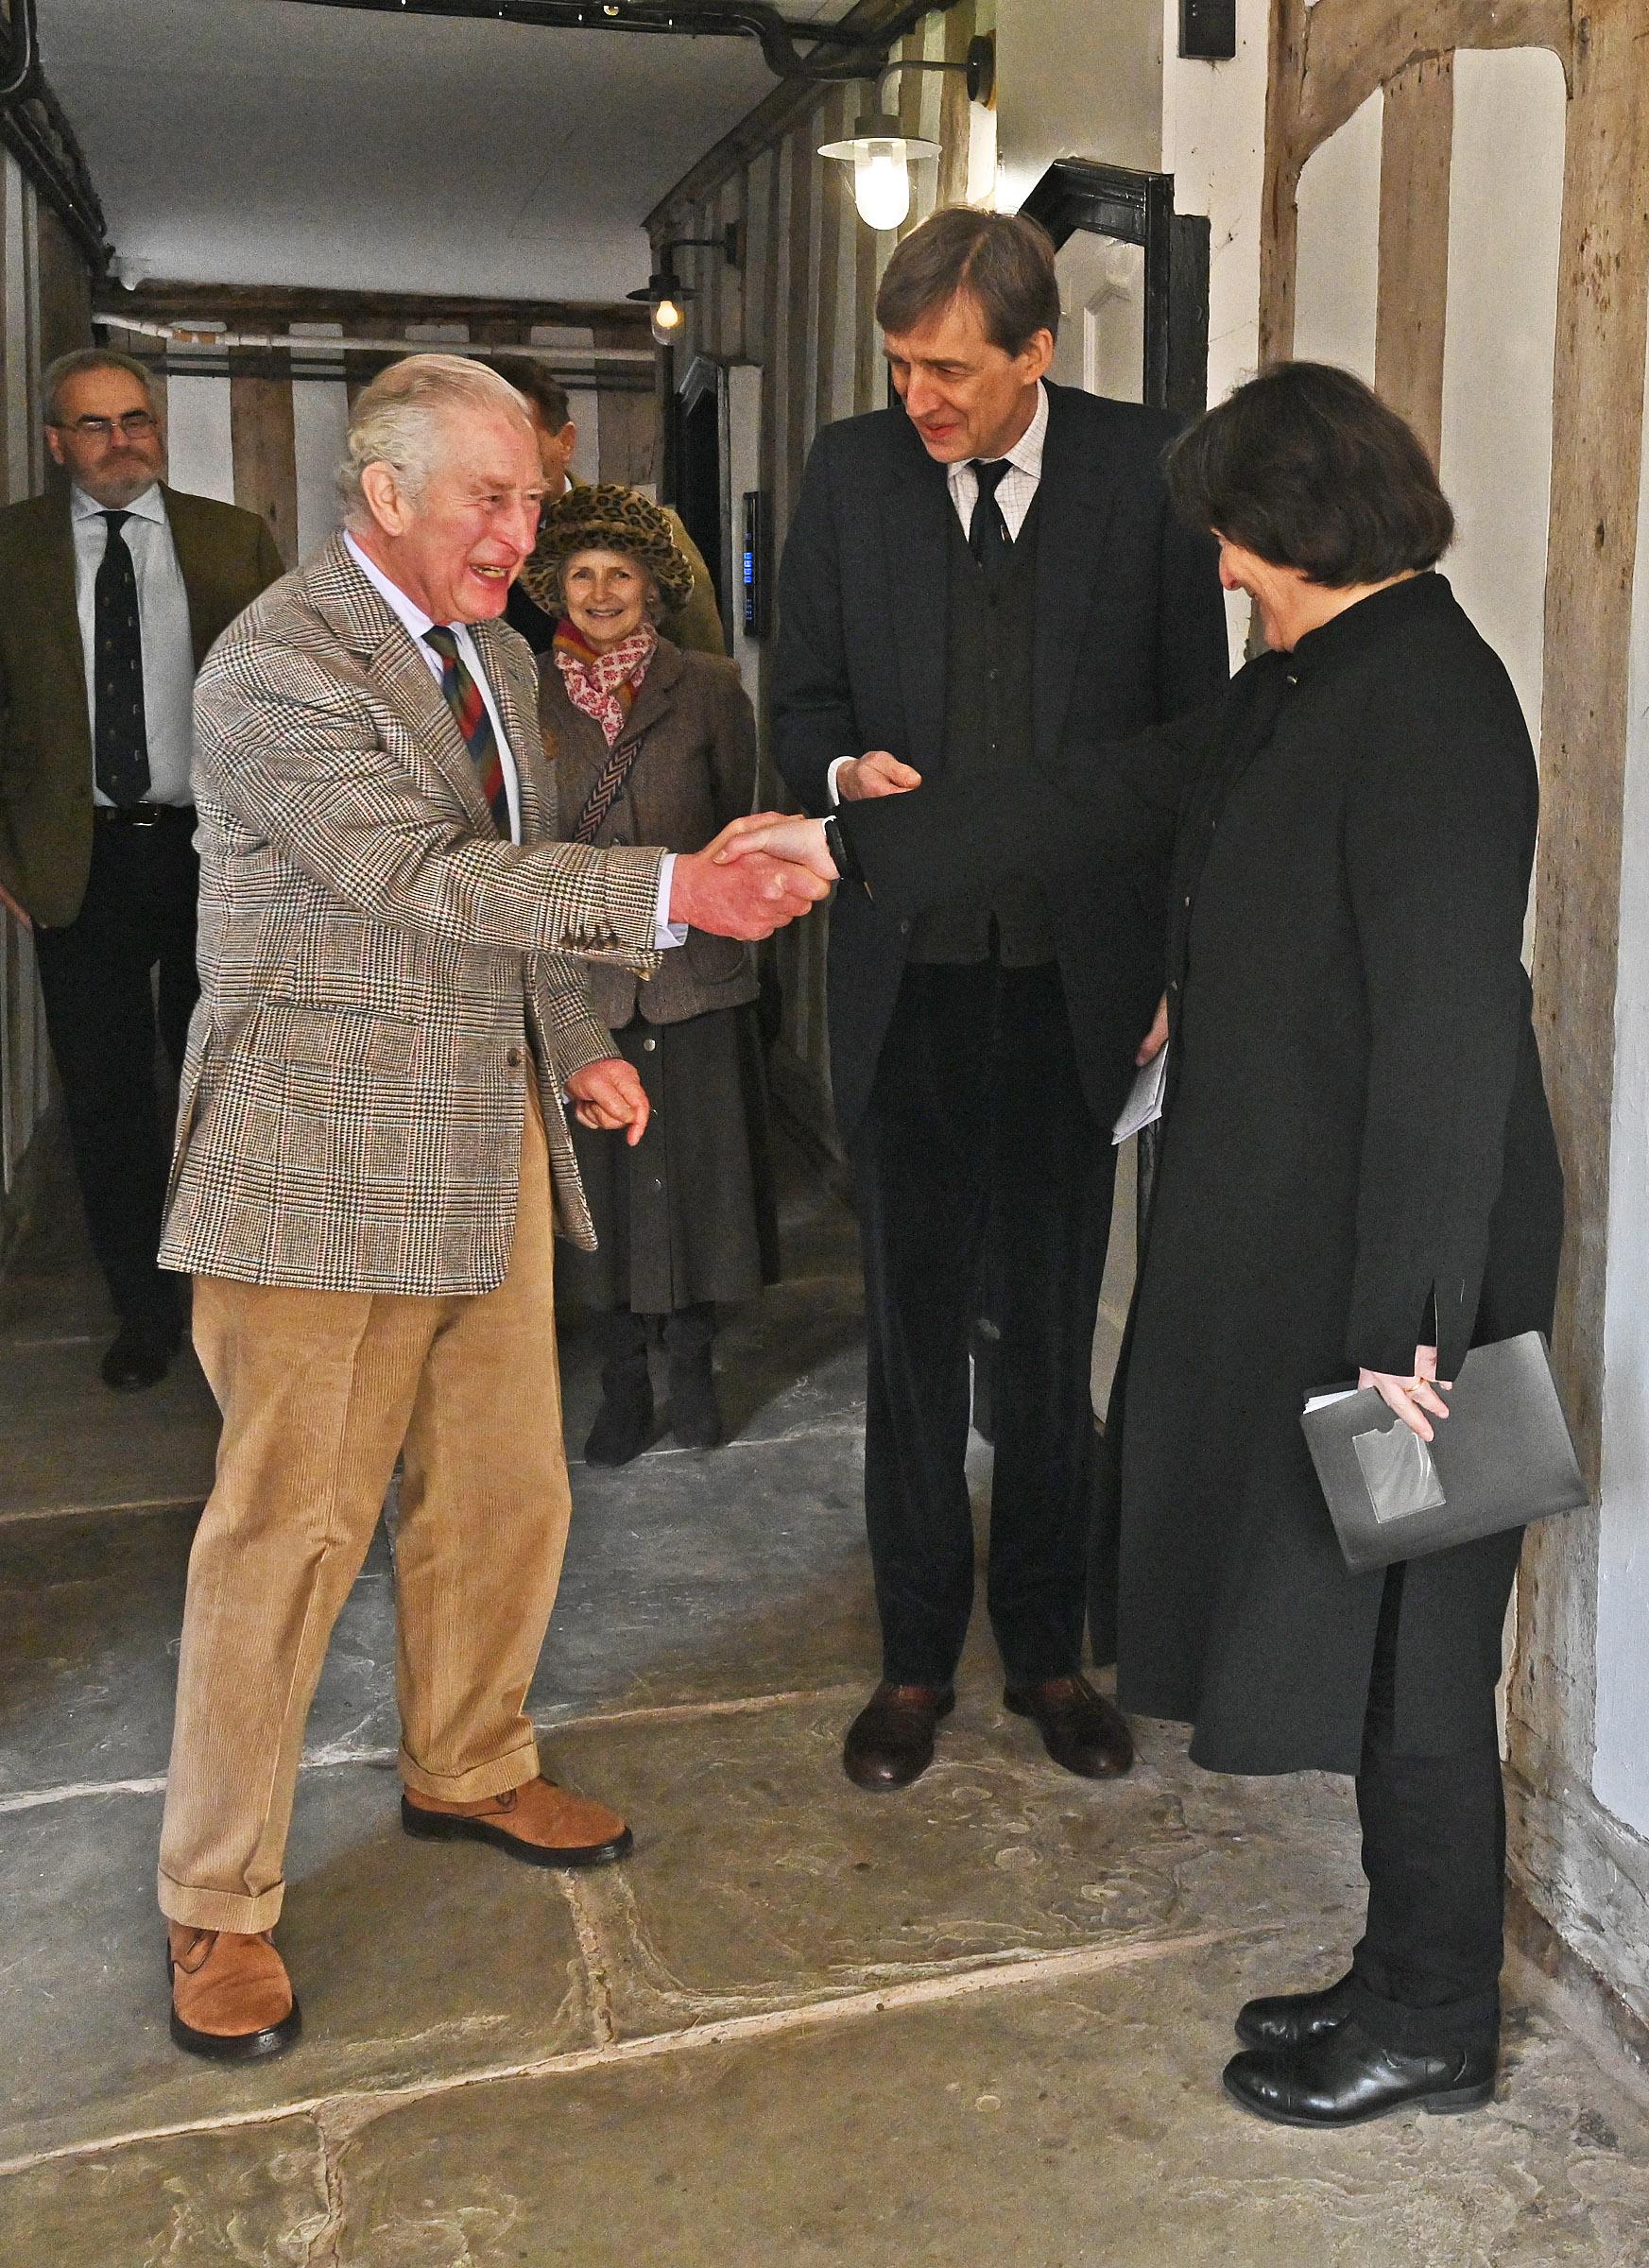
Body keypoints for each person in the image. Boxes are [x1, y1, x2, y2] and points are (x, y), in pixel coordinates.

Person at [727, 360, 1564, 2129]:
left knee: (1426, 1647)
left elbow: (1449, 1032)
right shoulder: (1318, 680)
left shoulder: (1431, 701)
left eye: (1232, 540)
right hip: (1346, 1244)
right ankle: (1404, 1975)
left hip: (1426, 1270)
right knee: (1380, 1632)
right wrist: (842, 843)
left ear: (1293, 523)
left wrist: (1417, 1329)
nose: (1220, 572)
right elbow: (1098, 793)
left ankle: (1436, 2017)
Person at [150, 354, 827, 2064]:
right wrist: (676, 888)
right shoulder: (278, 669)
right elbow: (416, 877)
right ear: (384, 494)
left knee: (505, 1490)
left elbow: (500, 917)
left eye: (534, 499)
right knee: (287, 1538)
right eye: (493, 501)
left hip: (486, 1132)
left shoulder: (502, 656)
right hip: (317, 1161)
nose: (524, 536)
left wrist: (580, 1038)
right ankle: (215, 1902)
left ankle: (469, 1759)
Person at [770, 206, 1227, 1793]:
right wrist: (838, 775)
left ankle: (1044, 1650)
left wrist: (1178, 961)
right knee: (905, 1333)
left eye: (951, 368)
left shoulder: (1149, 476)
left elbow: (1197, 746)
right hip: (904, 977)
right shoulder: (847, 475)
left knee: (1044, 1333)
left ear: (1040, 350)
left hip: (1074, 989)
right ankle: (912, 1659)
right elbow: (799, 703)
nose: (920, 401)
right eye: (901, 367)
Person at [0, 348, 283, 1391]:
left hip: (215, 854)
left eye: (135, 421)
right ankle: (141, 1308)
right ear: (55, 442)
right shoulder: (15, 551)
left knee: (230, 1086)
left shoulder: (231, 541)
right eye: (93, 426)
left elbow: (290, 704)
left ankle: (235, 1300)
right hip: (75, 863)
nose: (120, 443)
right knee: (109, 1098)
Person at [524, 481, 778, 1465]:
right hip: (583, 987)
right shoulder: (522, 689)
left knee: (701, 1183)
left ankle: (697, 1369)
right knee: (603, 1196)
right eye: (580, 575)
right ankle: (624, 1382)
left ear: (654, 588)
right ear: (553, 586)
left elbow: (739, 830)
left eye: (618, 575)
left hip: (693, 979)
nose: (598, 594)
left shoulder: (708, 685)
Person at [479, 352, 729, 660]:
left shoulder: (648, 529)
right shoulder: (466, 542)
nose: (501, 465)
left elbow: (703, 662)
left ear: (566, 441)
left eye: (519, 445)